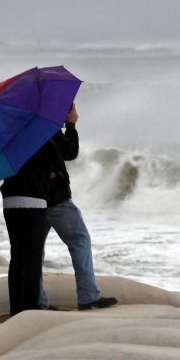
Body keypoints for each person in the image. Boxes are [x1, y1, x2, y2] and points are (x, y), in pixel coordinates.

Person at [38, 104, 118, 311]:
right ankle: (88, 295)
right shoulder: (44, 127)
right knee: (79, 240)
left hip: (33, 198)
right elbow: (69, 152)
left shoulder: (26, 127)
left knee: (34, 250)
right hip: (55, 198)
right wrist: (71, 125)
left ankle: (38, 300)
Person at [0, 134, 52, 315]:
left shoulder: (8, 139)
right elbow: (58, 162)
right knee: (32, 258)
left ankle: (16, 308)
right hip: (34, 201)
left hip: (10, 200)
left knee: (17, 257)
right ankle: (29, 309)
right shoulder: (40, 136)